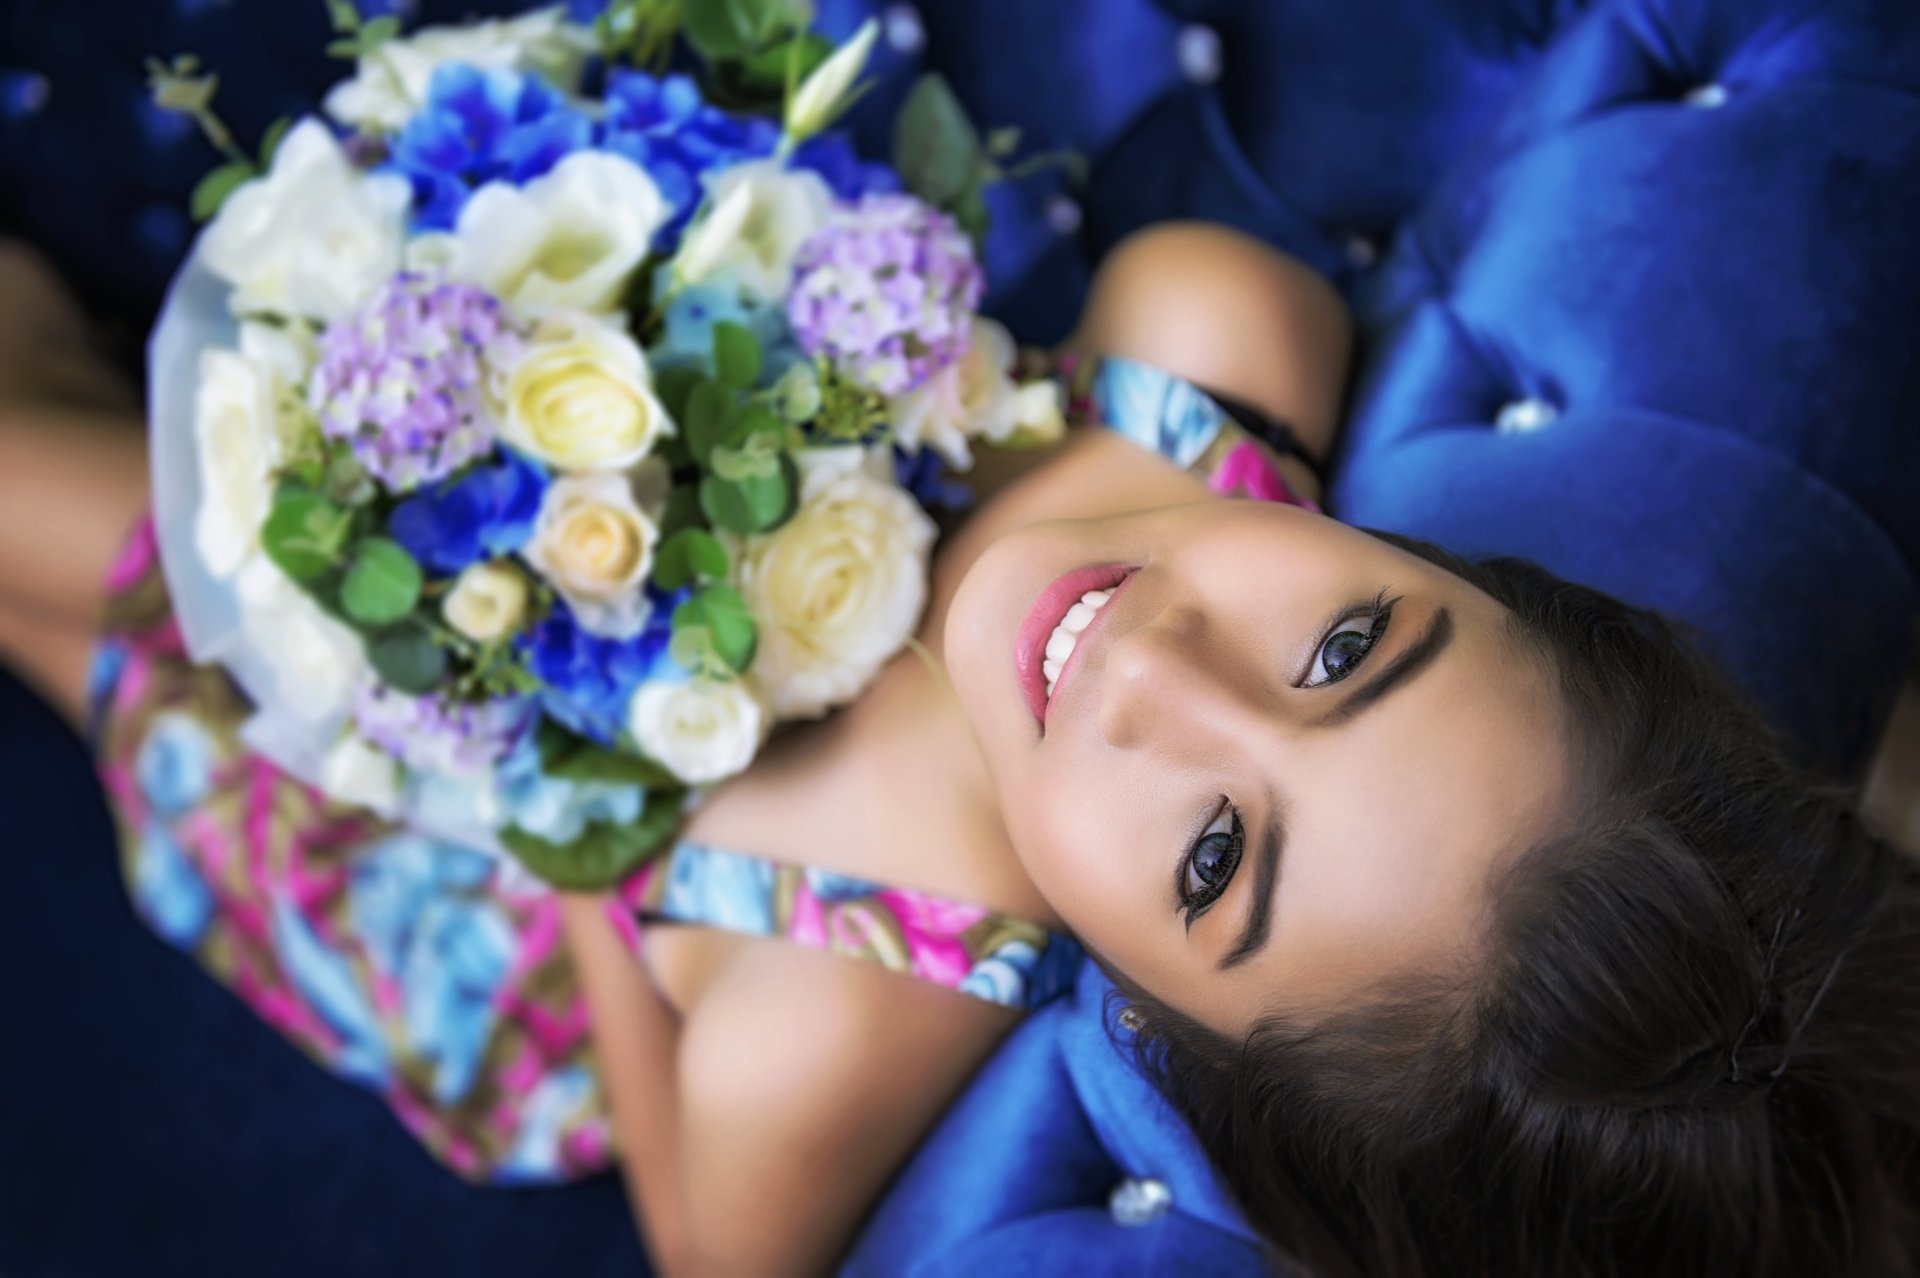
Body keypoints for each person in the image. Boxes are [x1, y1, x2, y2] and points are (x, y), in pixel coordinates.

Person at [1, 222, 1914, 1278]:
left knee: (81, 595)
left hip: (399, 836)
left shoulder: (833, 1007)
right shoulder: (1214, 339)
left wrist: (558, 806)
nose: (1161, 670)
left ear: (1160, 1027)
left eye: (1212, 862)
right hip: (429, 497)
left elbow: (701, 1243)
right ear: (1454, 566)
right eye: (1348, 641)